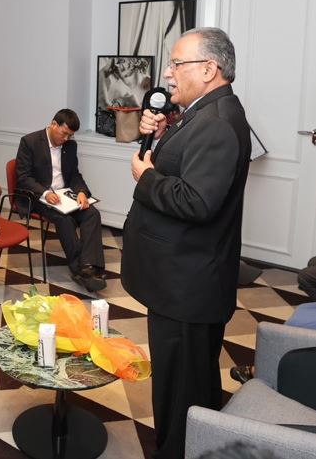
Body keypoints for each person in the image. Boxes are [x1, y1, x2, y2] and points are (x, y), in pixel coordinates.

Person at [122, 27, 252, 459]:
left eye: (177, 63)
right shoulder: (205, 113)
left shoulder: (217, 123)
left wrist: (146, 177)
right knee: (190, 383)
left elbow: (196, 201)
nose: (168, 72)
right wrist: (161, 137)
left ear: (209, 69)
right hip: (185, 280)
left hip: (186, 286)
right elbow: (187, 166)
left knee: (181, 392)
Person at [15, 109, 106, 292]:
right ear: (53, 124)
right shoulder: (30, 142)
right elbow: (23, 177)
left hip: (65, 195)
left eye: (70, 136)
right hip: (39, 197)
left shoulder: (70, 146)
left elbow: (74, 175)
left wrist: (82, 192)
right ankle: (79, 268)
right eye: (64, 133)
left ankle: (89, 265)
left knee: (92, 214)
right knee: (64, 219)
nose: (66, 139)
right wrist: (44, 193)